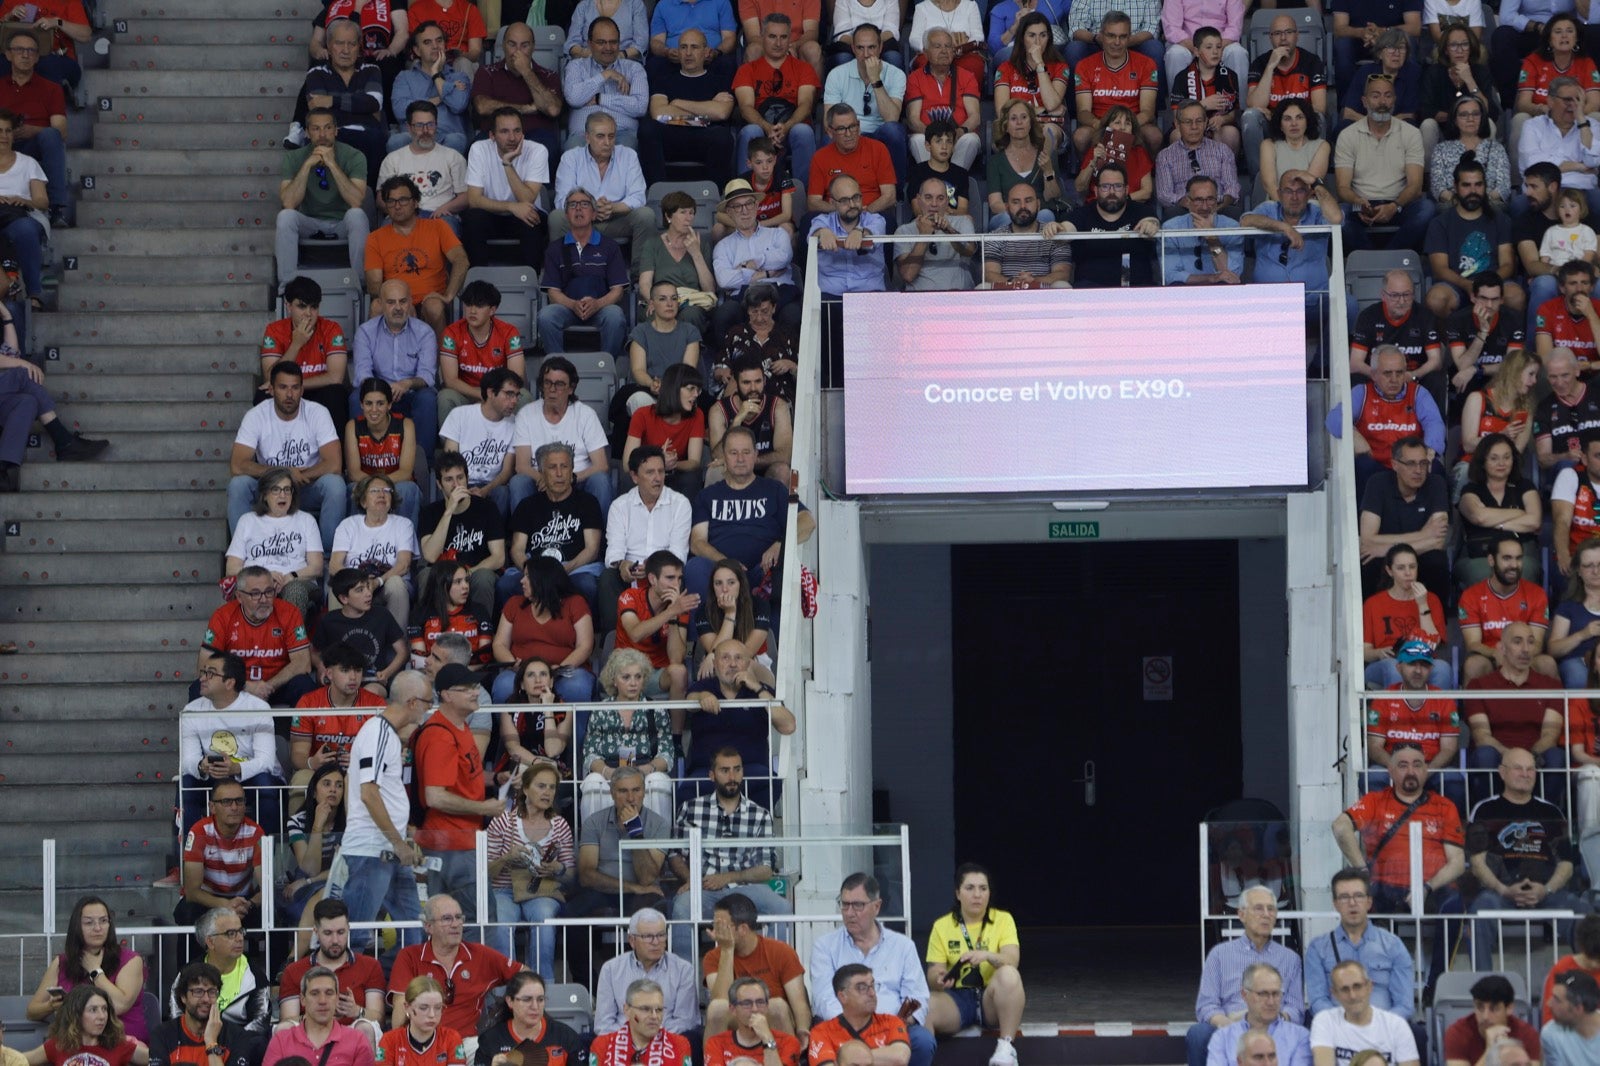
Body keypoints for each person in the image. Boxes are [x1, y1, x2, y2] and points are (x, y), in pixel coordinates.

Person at [1332, 743, 1465, 990]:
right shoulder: (1375, 801)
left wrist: (1427, 887)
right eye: (1402, 765)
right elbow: (1340, 827)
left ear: (1426, 770)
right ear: (1391, 771)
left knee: (1454, 905)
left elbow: (1457, 863)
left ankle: (1435, 988)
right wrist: (1362, 871)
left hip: (1432, 887)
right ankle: (1374, 985)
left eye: (1417, 764)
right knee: (1359, 902)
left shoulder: (1445, 806)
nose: (1410, 771)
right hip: (1386, 884)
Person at [1467, 747, 1593, 967]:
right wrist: (1503, 889)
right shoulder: (1485, 809)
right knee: (1479, 912)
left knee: (1584, 912)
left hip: (1546, 891)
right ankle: (1484, 988)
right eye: (1518, 768)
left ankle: (1590, 984)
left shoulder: (1551, 812)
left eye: (1530, 769)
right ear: (1502, 772)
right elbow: (1477, 862)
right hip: (1501, 891)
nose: (1525, 774)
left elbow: (1566, 863)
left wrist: (1547, 889)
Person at [334, 671, 431, 944]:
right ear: (412, 702)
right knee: (356, 934)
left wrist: (399, 842)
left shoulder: (385, 734)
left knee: (414, 927)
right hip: (371, 849)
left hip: (386, 849)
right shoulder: (377, 733)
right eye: (427, 701)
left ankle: (411, 984)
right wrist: (398, 843)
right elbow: (368, 793)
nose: (428, 707)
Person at [666, 747, 788, 958]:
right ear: (711, 775)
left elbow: (766, 870)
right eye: (724, 770)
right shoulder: (691, 808)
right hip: (703, 888)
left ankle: (775, 976)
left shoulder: (760, 815)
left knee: (782, 907)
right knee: (681, 908)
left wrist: (728, 878)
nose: (732, 777)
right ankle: (685, 983)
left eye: (737, 770)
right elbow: (675, 855)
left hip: (745, 889)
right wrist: (693, 880)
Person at [811, 874, 941, 1066]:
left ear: (876, 906)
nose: (849, 912)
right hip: (843, 1026)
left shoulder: (903, 946)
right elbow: (824, 999)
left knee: (922, 1041)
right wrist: (859, 1025)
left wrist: (886, 1025)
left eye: (857, 905)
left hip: (892, 1026)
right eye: (844, 904)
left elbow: (918, 997)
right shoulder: (825, 946)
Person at [413, 663, 504, 919]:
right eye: (467, 689)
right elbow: (435, 795)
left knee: (452, 923)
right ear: (446, 695)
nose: (475, 693)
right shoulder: (440, 737)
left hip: (458, 842)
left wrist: (496, 778)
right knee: (482, 922)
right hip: (452, 845)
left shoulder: (460, 727)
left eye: (475, 687)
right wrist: (483, 808)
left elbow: (464, 777)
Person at [230, 360, 345, 556]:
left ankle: (328, 556)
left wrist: (296, 476)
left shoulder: (317, 413)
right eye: (283, 387)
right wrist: (282, 475)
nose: (289, 394)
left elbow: (334, 464)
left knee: (335, 485)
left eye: (295, 388)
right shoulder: (256, 415)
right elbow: (238, 465)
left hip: (306, 486)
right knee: (238, 485)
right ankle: (242, 555)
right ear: (272, 389)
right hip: (269, 489)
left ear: (302, 389)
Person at [388, 895, 525, 1056]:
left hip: (466, 1044)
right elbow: (400, 1006)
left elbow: (526, 977)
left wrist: (509, 1007)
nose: (455, 924)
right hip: (421, 1043)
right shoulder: (409, 957)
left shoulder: (479, 955)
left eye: (459, 917)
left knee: (494, 1053)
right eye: (447, 919)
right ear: (428, 926)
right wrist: (402, 1045)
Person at [687, 425, 812, 602]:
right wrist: (726, 564)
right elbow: (697, 542)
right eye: (733, 453)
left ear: (755, 455)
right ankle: (705, 629)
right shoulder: (707, 496)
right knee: (695, 568)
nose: (740, 459)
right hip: (720, 573)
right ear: (723, 456)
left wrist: (781, 544)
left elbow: (807, 521)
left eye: (746, 452)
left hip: (762, 573)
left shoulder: (774, 489)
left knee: (783, 568)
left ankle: (771, 628)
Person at [1186, 885, 1304, 1066]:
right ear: (1241, 915)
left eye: (1271, 909)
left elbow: (1295, 1009)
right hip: (1230, 1023)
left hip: (1273, 1024)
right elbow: (1206, 1005)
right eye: (1258, 908)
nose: (1266, 914)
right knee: (1198, 1034)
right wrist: (1228, 1026)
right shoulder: (1220, 955)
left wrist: (1273, 1018)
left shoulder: (1290, 958)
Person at [921, 864, 1024, 1066]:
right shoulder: (942, 925)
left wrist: (986, 955)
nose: (977, 894)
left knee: (1009, 975)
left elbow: (1012, 960)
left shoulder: (1003, 919)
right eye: (970, 888)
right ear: (958, 893)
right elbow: (933, 973)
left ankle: (1006, 1048)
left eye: (983, 888)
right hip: (957, 998)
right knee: (926, 1005)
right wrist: (939, 978)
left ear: (989, 893)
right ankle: (925, 1059)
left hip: (990, 998)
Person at [180, 648, 282, 836]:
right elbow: (187, 761)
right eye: (203, 672)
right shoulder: (191, 710)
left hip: (250, 774)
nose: (202, 678)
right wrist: (201, 766)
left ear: (229, 682)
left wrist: (236, 768)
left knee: (266, 786)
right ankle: (188, 858)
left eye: (210, 674)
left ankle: (271, 858)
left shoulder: (258, 708)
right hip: (212, 774)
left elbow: (266, 762)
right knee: (186, 786)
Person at [486, 762, 574, 976]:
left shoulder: (560, 825)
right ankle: (506, 987)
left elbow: (571, 876)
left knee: (544, 916)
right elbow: (485, 872)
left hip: (541, 890)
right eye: (541, 786)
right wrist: (508, 858)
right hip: (503, 890)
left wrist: (558, 869)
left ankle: (543, 986)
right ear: (525, 789)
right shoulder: (502, 822)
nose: (548, 792)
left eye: (552, 787)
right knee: (502, 921)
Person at [1334, 73, 1434, 253]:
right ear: (1364, 101)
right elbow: (1342, 188)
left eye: (1388, 95)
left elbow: (1415, 185)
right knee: (1338, 215)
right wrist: (1358, 202)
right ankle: (1373, 257)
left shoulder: (1411, 133)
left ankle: (1389, 255)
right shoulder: (1348, 135)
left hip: (1399, 203)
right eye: (1376, 95)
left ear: (1394, 100)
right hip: (1361, 204)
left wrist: (1394, 206)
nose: (1382, 102)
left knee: (1426, 209)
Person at [26, 898, 148, 1044]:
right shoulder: (62, 962)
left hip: (122, 1045)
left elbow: (119, 1006)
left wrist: (95, 971)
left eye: (103, 921)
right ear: (77, 927)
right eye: (89, 922)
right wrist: (51, 1006)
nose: (98, 928)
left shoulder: (131, 960)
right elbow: (32, 1011)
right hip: (74, 1045)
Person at [503, 441, 605, 613]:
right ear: (542, 472)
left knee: (586, 585)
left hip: (574, 569)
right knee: (505, 585)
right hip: (535, 569)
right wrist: (533, 574)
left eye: (564, 466)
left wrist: (562, 570)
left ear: (572, 469)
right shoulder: (527, 505)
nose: (559, 474)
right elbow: (517, 550)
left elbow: (592, 549)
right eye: (552, 467)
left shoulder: (588, 502)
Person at [601, 446, 692, 635]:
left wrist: (652, 569)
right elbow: (614, 551)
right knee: (608, 578)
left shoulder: (680, 503)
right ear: (634, 477)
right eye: (650, 472)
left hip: (663, 573)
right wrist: (623, 565)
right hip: (630, 574)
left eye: (661, 471)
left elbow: (678, 553)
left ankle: (673, 640)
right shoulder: (620, 506)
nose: (657, 478)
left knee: (678, 577)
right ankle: (612, 641)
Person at [1465, 624, 1565, 796]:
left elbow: (1550, 735)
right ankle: (1487, 819)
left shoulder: (1551, 686)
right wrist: (1513, 759)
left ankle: (1549, 819)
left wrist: (1527, 760)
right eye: (1517, 642)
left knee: (1556, 756)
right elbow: (1482, 736)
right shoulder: (1479, 686)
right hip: (1497, 757)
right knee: (1484, 755)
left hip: (1536, 756)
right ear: (1502, 648)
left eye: (1530, 642)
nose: (1526, 649)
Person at [550, 113, 658, 270]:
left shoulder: (628, 155)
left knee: (646, 215)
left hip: (617, 219)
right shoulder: (571, 158)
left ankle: (640, 277)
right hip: (580, 219)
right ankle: (564, 275)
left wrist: (613, 208)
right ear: (587, 137)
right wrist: (590, 208)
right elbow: (562, 201)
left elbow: (638, 196)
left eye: (611, 136)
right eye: (600, 136)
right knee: (557, 217)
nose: (607, 142)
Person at [509, 357, 614, 517]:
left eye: (559, 384)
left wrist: (570, 478)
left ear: (571, 388)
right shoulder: (526, 414)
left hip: (577, 481)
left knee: (600, 480)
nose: (552, 389)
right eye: (547, 383)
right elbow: (521, 466)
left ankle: (601, 540)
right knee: (519, 482)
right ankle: (522, 539)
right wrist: (547, 479)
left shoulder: (585, 414)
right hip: (541, 482)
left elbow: (601, 465)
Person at [1305, 869, 1413, 1024]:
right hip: (1337, 1030)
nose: (1352, 903)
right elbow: (1318, 1001)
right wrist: (1344, 1025)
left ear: (1369, 902)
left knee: (1418, 1035)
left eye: (1358, 896)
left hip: (1385, 1031)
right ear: (1335, 904)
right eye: (1344, 897)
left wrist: (1380, 1027)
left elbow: (1404, 1004)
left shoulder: (1392, 946)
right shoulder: (1318, 949)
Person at [1367, 640, 1466, 807]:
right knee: (1374, 775)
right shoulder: (1384, 698)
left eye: (1424, 665)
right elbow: (1374, 746)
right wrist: (1396, 767)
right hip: (1394, 766)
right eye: (1412, 664)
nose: (1418, 670)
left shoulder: (1444, 700)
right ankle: (1381, 830)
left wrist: (1425, 770)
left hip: (1431, 768)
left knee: (1453, 779)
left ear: (1431, 669)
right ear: (1399, 667)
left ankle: (1449, 831)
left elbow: (1449, 748)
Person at [538, 186, 631, 361]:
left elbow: (618, 290)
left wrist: (597, 304)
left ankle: (604, 364)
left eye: (584, 204)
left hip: (601, 307)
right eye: (572, 205)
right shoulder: (555, 248)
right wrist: (573, 305)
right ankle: (559, 366)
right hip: (567, 307)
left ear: (594, 214)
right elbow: (553, 292)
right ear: (566, 215)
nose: (578, 208)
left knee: (616, 316)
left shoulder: (610, 246)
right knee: (546, 316)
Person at [352, 280, 442, 461]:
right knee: (356, 398)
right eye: (391, 302)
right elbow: (363, 373)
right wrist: (382, 390)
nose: (398, 308)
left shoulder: (424, 332)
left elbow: (427, 375)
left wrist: (406, 383)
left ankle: (422, 463)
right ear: (381, 305)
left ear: (410, 303)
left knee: (428, 399)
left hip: (412, 392)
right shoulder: (366, 332)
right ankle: (362, 459)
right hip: (377, 390)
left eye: (403, 301)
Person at [568, 763, 672, 916]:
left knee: (648, 910)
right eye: (623, 791)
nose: (631, 798)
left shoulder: (659, 824)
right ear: (612, 793)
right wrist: (632, 887)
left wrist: (635, 832)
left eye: (636, 790)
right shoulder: (594, 821)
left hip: (643, 893)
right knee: (574, 911)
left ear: (644, 792)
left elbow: (647, 878)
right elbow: (586, 876)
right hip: (603, 890)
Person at [489, 556, 597, 703]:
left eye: (527, 576)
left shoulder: (575, 603)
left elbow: (585, 646)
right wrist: (514, 664)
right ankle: (509, 727)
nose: (522, 581)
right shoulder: (514, 604)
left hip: (566, 670)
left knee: (576, 686)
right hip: (522, 672)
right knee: (504, 685)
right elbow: (499, 644)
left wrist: (558, 669)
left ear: (544, 579)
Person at [418, 451, 507, 627]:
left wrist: (467, 574)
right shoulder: (430, 512)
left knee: (484, 577)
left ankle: (482, 633)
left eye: (460, 477)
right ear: (439, 484)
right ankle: (430, 633)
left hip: (476, 571)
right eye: (449, 479)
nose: (456, 484)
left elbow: (498, 557)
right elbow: (429, 556)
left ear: (467, 479)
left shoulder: (487, 508)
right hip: (443, 572)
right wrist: (449, 511)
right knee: (426, 575)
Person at [1356, 431, 1449, 597]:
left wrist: (1386, 549)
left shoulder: (1436, 483)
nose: (1418, 470)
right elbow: (1368, 539)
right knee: (1368, 561)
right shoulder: (1377, 483)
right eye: (1411, 464)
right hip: (1388, 559)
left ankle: (1438, 619)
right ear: (1395, 464)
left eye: (1423, 463)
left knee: (1437, 561)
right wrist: (1423, 534)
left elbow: (1438, 541)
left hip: (1415, 555)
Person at [702, 893, 809, 1036]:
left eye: (722, 927)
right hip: (736, 1023)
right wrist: (727, 950)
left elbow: (800, 1003)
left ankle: (787, 1057)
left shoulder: (781, 951)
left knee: (777, 1006)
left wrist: (803, 1030)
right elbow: (721, 1002)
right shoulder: (713, 957)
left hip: (772, 1022)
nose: (716, 932)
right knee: (716, 1008)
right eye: (715, 925)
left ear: (743, 929)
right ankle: (714, 1058)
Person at [642, 29, 737, 186]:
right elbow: (658, 113)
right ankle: (657, 192)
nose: (688, 53)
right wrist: (703, 118)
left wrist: (677, 102)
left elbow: (721, 113)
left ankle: (715, 196)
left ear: (706, 52)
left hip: (705, 139)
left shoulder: (720, 81)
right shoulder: (663, 80)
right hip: (672, 138)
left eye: (694, 47)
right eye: (683, 47)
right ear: (678, 52)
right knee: (647, 128)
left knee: (723, 137)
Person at [295, 19, 386, 182]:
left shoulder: (372, 70)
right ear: (329, 46)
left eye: (352, 44)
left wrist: (332, 100)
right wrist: (363, 110)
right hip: (333, 135)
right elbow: (318, 111)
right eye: (339, 43)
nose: (346, 50)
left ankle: (371, 198)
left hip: (367, 136)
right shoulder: (316, 73)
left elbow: (374, 102)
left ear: (359, 47)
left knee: (376, 139)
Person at [732, 15, 820, 184]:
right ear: (762, 37)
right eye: (772, 36)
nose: (778, 43)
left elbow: (806, 105)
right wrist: (767, 127)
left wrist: (786, 127)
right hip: (760, 128)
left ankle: (804, 195)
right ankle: (746, 192)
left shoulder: (804, 69)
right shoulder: (747, 70)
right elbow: (745, 107)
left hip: (792, 128)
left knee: (804, 131)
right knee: (751, 132)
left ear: (790, 39)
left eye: (783, 37)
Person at [225, 469, 324, 617]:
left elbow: (316, 568)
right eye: (276, 490)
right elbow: (232, 569)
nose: (282, 495)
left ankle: (289, 639)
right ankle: (255, 639)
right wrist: (264, 577)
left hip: (297, 581)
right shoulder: (248, 520)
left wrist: (291, 576)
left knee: (294, 590)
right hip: (257, 581)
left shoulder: (306, 520)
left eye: (287, 489)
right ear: (264, 495)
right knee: (255, 590)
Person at [711, 180, 800, 342]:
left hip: (780, 293)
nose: (744, 211)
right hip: (744, 297)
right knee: (723, 315)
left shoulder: (778, 234)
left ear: (757, 206)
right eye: (737, 207)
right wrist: (764, 273)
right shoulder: (723, 246)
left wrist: (750, 264)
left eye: (749, 204)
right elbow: (724, 280)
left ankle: (793, 365)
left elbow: (784, 258)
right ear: (729, 212)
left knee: (794, 315)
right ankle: (726, 365)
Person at [1242, 169, 1343, 312]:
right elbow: (1246, 221)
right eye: (1288, 191)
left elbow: (1336, 218)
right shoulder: (1268, 210)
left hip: (1313, 302)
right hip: (1268, 303)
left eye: (1300, 191)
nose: (1294, 197)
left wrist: (1315, 183)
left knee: (1347, 306)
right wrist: (1285, 228)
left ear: (1309, 194)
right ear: (1278, 194)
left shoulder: (1317, 213)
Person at [463, 107, 549, 270]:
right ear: (492, 136)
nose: (512, 138)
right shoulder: (479, 149)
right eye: (504, 131)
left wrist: (507, 163)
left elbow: (527, 199)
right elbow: (474, 200)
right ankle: (478, 281)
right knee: (473, 218)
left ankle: (531, 282)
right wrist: (511, 206)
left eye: (517, 131)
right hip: (491, 215)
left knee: (531, 219)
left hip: (524, 215)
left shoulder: (537, 151)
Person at [263, 277, 352, 435]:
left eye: (314, 307)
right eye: (302, 307)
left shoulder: (331, 328)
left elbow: (335, 378)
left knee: (336, 395)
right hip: (289, 393)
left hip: (320, 391)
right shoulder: (274, 330)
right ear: (288, 306)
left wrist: (296, 385)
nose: (308, 314)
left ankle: (336, 459)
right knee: (262, 397)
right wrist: (296, 344)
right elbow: (271, 378)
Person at [1070, 10, 1162, 161]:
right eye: (1111, 36)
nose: (1117, 42)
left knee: (1154, 136)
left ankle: (1148, 173)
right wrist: (1105, 126)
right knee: (1080, 136)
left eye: (1122, 36)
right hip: (1099, 123)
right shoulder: (1084, 65)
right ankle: (1088, 174)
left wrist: (1125, 128)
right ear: (1101, 36)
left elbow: (1148, 112)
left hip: (1134, 123)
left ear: (1129, 37)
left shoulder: (1146, 64)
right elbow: (1083, 112)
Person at [594, 910, 702, 1038]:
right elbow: (603, 1024)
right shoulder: (611, 970)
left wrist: (650, 1038)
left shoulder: (683, 970)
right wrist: (633, 1040)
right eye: (648, 937)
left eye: (661, 935)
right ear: (632, 940)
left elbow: (686, 1022)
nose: (656, 942)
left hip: (667, 1044)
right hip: (621, 1044)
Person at [1459, 542, 1557, 682]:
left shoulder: (1536, 593)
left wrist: (1513, 657)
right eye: (1507, 558)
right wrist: (1495, 653)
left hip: (1525, 655)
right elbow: (1473, 643)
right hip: (1490, 657)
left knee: (1547, 664)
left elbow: (1537, 642)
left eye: (1518, 558)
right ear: (1491, 560)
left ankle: (1554, 705)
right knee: (1474, 665)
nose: (1514, 565)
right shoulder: (1471, 595)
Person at [1456, 432, 1541, 590]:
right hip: (1480, 554)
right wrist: (1520, 514)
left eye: (1506, 457)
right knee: (1479, 572)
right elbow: (1479, 516)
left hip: (1521, 551)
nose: (1501, 463)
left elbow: (1534, 522)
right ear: (1483, 462)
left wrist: (1495, 523)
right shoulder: (1471, 490)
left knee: (1526, 568)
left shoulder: (1525, 486)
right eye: (1494, 458)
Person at [1052, 162, 1158, 287]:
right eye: (1105, 186)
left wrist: (1150, 225)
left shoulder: (1141, 210)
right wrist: (1057, 229)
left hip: (1137, 292)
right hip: (1089, 294)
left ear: (1126, 190)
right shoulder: (1082, 213)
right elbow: (1066, 229)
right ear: (1096, 191)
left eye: (1118, 186)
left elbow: (1151, 221)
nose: (1112, 192)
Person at [1243, 17, 1329, 170]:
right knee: (1249, 117)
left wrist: (1277, 114)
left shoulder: (1312, 61)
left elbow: (1319, 107)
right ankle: (1258, 179)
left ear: (1297, 35)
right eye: (1277, 33)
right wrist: (1270, 67)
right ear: (1270, 37)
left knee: (1320, 118)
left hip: (1298, 121)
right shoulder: (1260, 63)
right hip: (1271, 125)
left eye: (1288, 32)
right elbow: (1254, 105)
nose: (1283, 38)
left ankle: (1313, 176)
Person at [821, 25, 906, 180]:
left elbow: (892, 118)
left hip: (880, 133)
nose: (866, 54)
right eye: (860, 48)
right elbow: (829, 120)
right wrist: (850, 132)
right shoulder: (837, 74)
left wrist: (875, 80)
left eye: (872, 47)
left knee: (894, 131)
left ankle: (896, 194)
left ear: (880, 47)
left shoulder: (896, 74)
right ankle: (831, 193)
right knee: (829, 137)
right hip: (848, 131)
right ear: (853, 48)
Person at [0, 29, 65, 229]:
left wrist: (33, 131)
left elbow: (61, 131)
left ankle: (56, 208)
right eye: (19, 50)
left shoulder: (52, 89)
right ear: (8, 54)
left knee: (51, 135)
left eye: (31, 51)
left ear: (37, 57)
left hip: (33, 145)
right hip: (2, 144)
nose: (25, 55)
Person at [470, 22, 563, 160]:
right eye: (512, 44)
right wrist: (524, 109)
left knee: (548, 148)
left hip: (535, 135)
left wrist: (526, 71)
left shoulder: (548, 75)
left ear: (533, 46)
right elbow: (482, 107)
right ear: (503, 45)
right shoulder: (487, 72)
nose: (517, 52)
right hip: (496, 134)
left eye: (524, 45)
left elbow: (553, 109)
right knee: (476, 148)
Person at [439, 281, 529, 423]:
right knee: (445, 397)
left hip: (499, 393)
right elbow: (450, 380)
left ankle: (516, 443)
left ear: (492, 310)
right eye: (468, 304)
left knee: (524, 396)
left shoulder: (509, 332)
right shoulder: (452, 332)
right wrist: (481, 394)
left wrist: (495, 395)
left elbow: (516, 377)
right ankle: (451, 445)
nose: (472, 311)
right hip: (466, 393)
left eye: (479, 305)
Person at [1361, 545, 1449, 687]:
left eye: (1412, 567)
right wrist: (1378, 653)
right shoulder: (1373, 603)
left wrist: (1422, 604)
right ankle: (1398, 709)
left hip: (1422, 660)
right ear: (1389, 571)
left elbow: (1433, 644)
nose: (1408, 573)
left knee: (1443, 668)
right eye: (1401, 568)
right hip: (1386, 662)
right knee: (1394, 667)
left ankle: (1439, 710)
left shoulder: (1431, 599)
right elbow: (1364, 652)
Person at [439, 366, 521, 516]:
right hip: (460, 480)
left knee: (502, 493)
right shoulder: (460, 415)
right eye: (509, 394)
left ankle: (497, 538)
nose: (514, 401)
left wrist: (485, 491)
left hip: (492, 485)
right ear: (490, 393)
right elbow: (450, 461)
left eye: (516, 395)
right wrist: (461, 487)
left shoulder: (515, 424)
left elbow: (506, 472)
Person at [278, 770, 351, 938]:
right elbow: (310, 868)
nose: (333, 789)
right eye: (327, 784)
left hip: (340, 883)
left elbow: (346, 869)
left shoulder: (351, 823)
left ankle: (296, 954)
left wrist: (308, 881)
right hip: (308, 886)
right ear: (313, 792)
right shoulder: (297, 821)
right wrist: (318, 826)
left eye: (339, 785)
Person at [147, 961, 261, 1066]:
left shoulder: (237, 1036)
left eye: (212, 992)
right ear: (183, 997)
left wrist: (211, 1042)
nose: (206, 999)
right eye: (198, 992)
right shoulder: (162, 1034)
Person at [638, 192, 717, 341]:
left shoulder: (701, 244)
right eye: (683, 212)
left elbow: (709, 289)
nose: (689, 217)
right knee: (655, 312)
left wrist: (696, 254)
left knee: (691, 314)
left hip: (690, 303)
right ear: (668, 216)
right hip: (660, 299)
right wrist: (652, 300)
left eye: (692, 213)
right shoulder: (653, 244)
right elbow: (645, 283)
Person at [1308, 962, 1420, 1066]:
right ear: (1335, 994)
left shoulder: (1396, 1025)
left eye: (1357, 986)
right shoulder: (1325, 1021)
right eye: (1344, 989)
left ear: (1369, 987)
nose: (1352, 995)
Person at [1518, 78, 1600, 219]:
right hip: (1543, 188)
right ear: (1550, 101)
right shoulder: (1532, 126)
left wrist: (1581, 121)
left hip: (1582, 188)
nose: (1574, 105)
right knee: (1518, 206)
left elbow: (1593, 161)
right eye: (1568, 100)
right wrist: (1578, 166)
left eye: (1578, 100)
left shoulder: (1591, 126)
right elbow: (1533, 166)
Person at [1457, 353, 1538, 496]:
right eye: (1531, 374)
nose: (1534, 381)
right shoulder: (1477, 398)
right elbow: (1468, 445)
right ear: (1514, 372)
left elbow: (1517, 453)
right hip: (1473, 464)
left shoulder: (1525, 411)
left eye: (1536, 375)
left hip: (1503, 469)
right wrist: (1502, 436)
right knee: (1464, 472)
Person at [562, 17, 649, 149]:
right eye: (601, 42)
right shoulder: (576, 66)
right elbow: (574, 98)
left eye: (613, 42)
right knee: (572, 150)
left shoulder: (634, 68)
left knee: (628, 150)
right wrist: (605, 75)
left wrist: (600, 98)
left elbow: (640, 106)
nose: (608, 48)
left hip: (621, 134)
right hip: (583, 135)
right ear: (590, 43)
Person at [707, 359, 793, 487]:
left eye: (758, 381)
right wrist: (737, 420)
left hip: (765, 470)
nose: (753, 388)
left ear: (764, 381)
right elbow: (717, 456)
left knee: (783, 470)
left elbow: (785, 456)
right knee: (715, 472)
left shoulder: (777, 406)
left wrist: (747, 461)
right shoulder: (718, 410)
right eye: (746, 383)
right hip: (733, 472)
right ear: (736, 383)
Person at [623, 362, 707, 495]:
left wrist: (673, 464)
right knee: (630, 478)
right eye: (691, 388)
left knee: (692, 476)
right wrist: (659, 463)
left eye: (698, 390)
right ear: (673, 388)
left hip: (676, 472)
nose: (696, 394)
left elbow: (694, 461)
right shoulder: (642, 415)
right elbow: (627, 463)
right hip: (647, 471)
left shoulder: (697, 415)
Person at [344, 381, 421, 527]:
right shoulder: (352, 427)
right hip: (364, 484)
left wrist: (380, 487)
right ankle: (357, 546)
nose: (374, 409)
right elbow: (354, 473)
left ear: (389, 405)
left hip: (397, 484)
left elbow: (405, 472)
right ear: (361, 405)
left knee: (407, 488)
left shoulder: (406, 425)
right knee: (352, 488)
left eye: (380, 403)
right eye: (368, 403)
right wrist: (375, 488)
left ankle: (406, 545)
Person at [262, 968, 376, 1066]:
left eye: (329, 993)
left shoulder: (358, 1041)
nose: (322, 1001)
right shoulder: (281, 1041)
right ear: (302, 999)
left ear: (337, 998)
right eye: (315, 993)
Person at [904, 30, 981, 170]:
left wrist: (960, 132)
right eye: (937, 46)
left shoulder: (967, 76)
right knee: (916, 140)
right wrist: (932, 137)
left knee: (971, 140)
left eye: (948, 46)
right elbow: (913, 118)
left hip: (957, 135)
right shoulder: (915, 78)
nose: (944, 51)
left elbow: (975, 116)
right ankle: (931, 180)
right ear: (925, 52)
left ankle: (953, 180)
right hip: (927, 136)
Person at [1204, 965, 1310, 1066]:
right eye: (1263, 994)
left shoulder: (1300, 1037)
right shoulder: (1223, 1038)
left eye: (1276, 994)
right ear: (1244, 995)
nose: (1271, 1002)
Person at [809, 175, 889, 309]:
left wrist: (861, 232)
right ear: (832, 203)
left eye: (856, 197)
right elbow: (813, 233)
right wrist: (822, 232)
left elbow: (875, 230)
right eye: (844, 200)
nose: (852, 205)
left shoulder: (876, 219)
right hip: (829, 295)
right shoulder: (822, 221)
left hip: (869, 294)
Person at [388, 27, 472, 155]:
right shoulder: (404, 77)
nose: (435, 46)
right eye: (427, 42)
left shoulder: (458, 77)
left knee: (456, 140)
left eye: (439, 41)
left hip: (447, 138)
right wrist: (440, 97)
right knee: (396, 141)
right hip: (413, 138)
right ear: (417, 50)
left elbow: (458, 106)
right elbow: (400, 111)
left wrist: (436, 74)